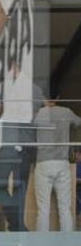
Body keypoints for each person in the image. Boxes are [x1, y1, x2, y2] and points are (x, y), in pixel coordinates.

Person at [32, 98, 81, 232]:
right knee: (65, 209)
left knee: (43, 210)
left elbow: (28, 125)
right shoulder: (66, 111)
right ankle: (67, 244)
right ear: (58, 97)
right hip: (61, 162)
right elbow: (78, 122)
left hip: (44, 162)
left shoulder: (39, 113)